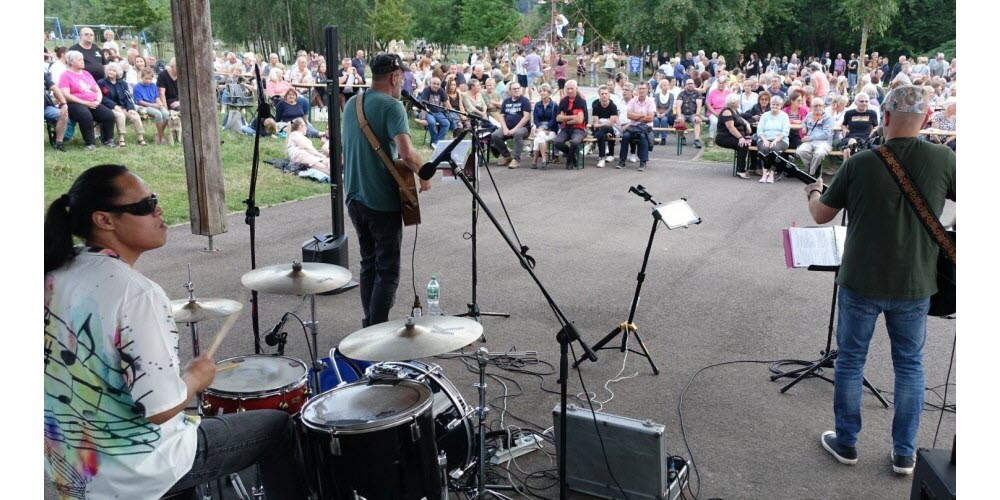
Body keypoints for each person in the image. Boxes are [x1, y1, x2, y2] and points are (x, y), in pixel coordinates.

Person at [44, 165, 309, 499]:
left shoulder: (55, 273)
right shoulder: (134, 292)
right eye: (144, 206)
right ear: (104, 220)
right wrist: (195, 378)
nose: (158, 210)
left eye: (154, 200)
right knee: (277, 427)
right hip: (136, 470)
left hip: (70, 464)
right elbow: (160, 409)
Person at [806, 85, 955, 476]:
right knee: (910, 366)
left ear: (884, 118)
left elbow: (821, 215)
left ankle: (847, 443)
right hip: (916, 282)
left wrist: (812, 190)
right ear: (925, 121)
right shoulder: (944, 158)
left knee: (851, 362)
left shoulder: (861, 163)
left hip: (861, 281)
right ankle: (904, 454)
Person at [342, 54, 431, 327]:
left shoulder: (352, 104)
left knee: (368, 264)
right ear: (394, 77)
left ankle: (369, 324)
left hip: (354, 197)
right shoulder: (393, 107)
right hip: (381, 200)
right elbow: (406, 152)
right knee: (388, 271)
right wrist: (425, 172)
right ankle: (377, 331)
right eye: (402, 78)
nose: (403, 83)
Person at [60, 50, 117, 149]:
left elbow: (98, 90)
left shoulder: (86, 73)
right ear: (71, 62)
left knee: (109, 115)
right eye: (79, 60)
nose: (83, 61)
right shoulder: (65, 75)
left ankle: (108, 140)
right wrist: (85, 103)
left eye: (82, 59)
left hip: (92, 102)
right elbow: (65, 94)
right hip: (75, 104)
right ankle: (90, 144)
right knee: (85, 116)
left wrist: (98, 101)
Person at [98, 64, 147, 147]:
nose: (111, 72)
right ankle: (121, 138)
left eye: (114, 71)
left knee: (135, 115)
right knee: (120, 116)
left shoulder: (123, 83)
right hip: (108, 108)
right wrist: (114, 106)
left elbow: (127, 97)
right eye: (109, 70)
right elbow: (102, 98)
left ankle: (140, 137)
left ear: (118, 73)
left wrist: (130, 108)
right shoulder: (102, 83)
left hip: (123, 106)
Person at [492, 81, 532, 169]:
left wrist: (514, 130)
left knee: (517, 134)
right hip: (508, 127)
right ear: (510, 91)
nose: (517, 90)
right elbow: (501, 117)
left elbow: (526, 117)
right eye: (514, 89)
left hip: (523, 128)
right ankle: (507, 157)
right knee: (495, 135)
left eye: (518, 88)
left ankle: (516, 160)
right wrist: (505, 129)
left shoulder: (525, 101)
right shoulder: (506, 101)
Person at [617, 82, 655, 171]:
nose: (641, 90)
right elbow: (629, 116)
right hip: (633, 127)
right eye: (640, 88)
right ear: (637, 90)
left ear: (647, 90)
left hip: (645, 128)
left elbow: (650, 118)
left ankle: (643, 162)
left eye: (643, 88)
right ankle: (622, 161)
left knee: (643, 136)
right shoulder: (632, 101)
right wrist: (642, 115)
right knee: (625, 136)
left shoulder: (650, 102)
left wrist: (636, 117)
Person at [552, 80, 588, 170]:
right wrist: (573, 117)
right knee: (557, 142)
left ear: (576, 89)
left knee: (575, 142)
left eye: (572, 88)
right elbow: (558, 118)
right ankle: (573, 156)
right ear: (565, 89)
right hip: (566, 128)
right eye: (568, 89)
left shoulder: (581, 101)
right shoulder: (563, 101)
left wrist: (566, 119)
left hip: (579, 129)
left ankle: (569, 161)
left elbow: (580, 120)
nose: (570, 91)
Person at [716, 93, 754, 178]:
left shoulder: (735, 111)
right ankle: (740, 170)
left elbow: (740, 119)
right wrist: (740, 137)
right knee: (743, 145)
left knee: (754, 143)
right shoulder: (727, 111)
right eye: (737, 101)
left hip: (734, 136)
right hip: (724, 137)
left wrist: (747, 124)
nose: (739, 102)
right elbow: (731, 127)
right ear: (733, 103)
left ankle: (754, 167)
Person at [754, 95, 790, 184]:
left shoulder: (784, 116)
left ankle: (771, 174)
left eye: (777, 105)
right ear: (770, 105)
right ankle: (764, 174)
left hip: (780, 140)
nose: (775, 106)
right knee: (764, 149)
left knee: (774, 149)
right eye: (773, 104)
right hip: (764, 138)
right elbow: (759, 131)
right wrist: (765, 140)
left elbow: (785, 132)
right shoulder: (765, 115)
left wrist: (775, 141)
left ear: (780, 106)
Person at [796, 97, 835, 176]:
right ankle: (816, 169)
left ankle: (811, 173)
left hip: (824, 142)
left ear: (823, 106)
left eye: (820, 105)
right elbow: (804, 122)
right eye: (815, 106)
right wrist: (804, 126)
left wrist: (810, 138)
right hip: (810, 142)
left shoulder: (827, 117)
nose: (818, 108)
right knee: (800, 151)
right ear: (811, 107)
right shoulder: (809, 115)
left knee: (819, 154)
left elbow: (826, 134)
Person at [841, 93, 879, 159]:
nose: (864, 103)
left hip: (866, 139)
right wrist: (844, 130)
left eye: (866, 101)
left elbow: (876, 126)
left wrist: (873, 131)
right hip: (851, 137)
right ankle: (850, 164)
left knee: (848, 150)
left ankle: (850, 163)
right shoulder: (849, 113)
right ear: (856, 103)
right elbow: (844, 124)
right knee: (852, 142)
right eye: (861, 101)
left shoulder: (872, 113)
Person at [590, 85, 620, 168]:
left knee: (604, 129)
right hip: (600, 129)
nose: (604, 95)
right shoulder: (596, 106)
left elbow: (611, 123)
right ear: (599, 95)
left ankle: (592, 144)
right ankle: (602, 158)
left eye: (606, 93)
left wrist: (601, 123)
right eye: (602, 94)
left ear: (609, 95)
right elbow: (595, 123)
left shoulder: (613, 106)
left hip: (611, 128)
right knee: (602, 134)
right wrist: (604, 123)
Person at [530, 83, 558, 169]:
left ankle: (535, 161)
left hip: (551, 129)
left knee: (538, 138)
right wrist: (540, 128)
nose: (542, 93)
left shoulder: (554, 105)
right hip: (539, 129)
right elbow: (535, 119)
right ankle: (543, 160)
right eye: (541, 91)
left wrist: (545, 128)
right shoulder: (537, 104)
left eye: (544, 91)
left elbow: (554, 120)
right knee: (540, 136)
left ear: (549, 92)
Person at [44, 69, 70, 151]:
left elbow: (54, 88)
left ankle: (58, 143)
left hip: (45, 108)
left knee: (63, 113)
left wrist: (64, 104)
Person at [419, 77, 449, 148]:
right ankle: (434, 141)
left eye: (438, 84)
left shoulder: (441, 90)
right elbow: (424, 105)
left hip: (438, 112)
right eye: (434, 84)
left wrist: (446, 107)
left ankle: (437, 142)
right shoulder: (426, 90)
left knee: (446, 123)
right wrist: (423, 118)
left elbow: (446, 102)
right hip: (428, 112)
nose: (436, 86)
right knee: (432, 122)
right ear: (430, 84)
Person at [674, 79, 703, 148]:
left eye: (692, 83)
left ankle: (696, 140)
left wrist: (697, 115)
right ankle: (682, 137)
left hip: (693, 113)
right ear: (685, 85)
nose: (690, 85)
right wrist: (679, 116)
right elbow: (678, 106)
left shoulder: (697, 93)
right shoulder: (681, 94)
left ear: (694, 85)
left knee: (697, 121)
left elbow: (699, 105)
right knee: (679, 122)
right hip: (683, 113)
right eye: (688, 84)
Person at [652, 78, 676, 145]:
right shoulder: (657, 95)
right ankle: (656, 138)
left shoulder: (671, 95)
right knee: (656, 120)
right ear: (661, 87)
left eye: (667, 85)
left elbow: (670, 107)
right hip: (658, 112)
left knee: (664, 120)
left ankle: (663, 138)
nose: (666, 87)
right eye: (664, 85)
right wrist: (657, 113)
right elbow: (655, 106)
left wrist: (664, 113)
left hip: (667, 113)